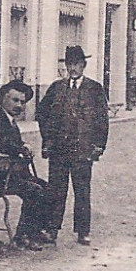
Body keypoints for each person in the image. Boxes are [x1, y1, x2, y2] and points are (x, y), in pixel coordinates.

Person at [36, 45, 110, 246]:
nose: (73, 68)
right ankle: (52, 230)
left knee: (82, 191)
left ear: (84, 65)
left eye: (77, 64)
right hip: (59, 150)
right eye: (69, 64)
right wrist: (47, 140)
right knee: (56, 191)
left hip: (82, 150)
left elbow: (102, 120)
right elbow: (41, 114)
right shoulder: (56, 88)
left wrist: (98, 146)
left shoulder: (94, 89)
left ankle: (83, 231)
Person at [0, 79, 46, 249]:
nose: (19, 105)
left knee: (47, 187)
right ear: (3, 99)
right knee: (34, 191)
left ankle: (34, 231)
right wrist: (22, 147)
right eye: (15, 100)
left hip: (8, 174)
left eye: (22, 102)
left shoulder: (11, 122)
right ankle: (22, 236)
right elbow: (2, 145)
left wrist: (23, 150)